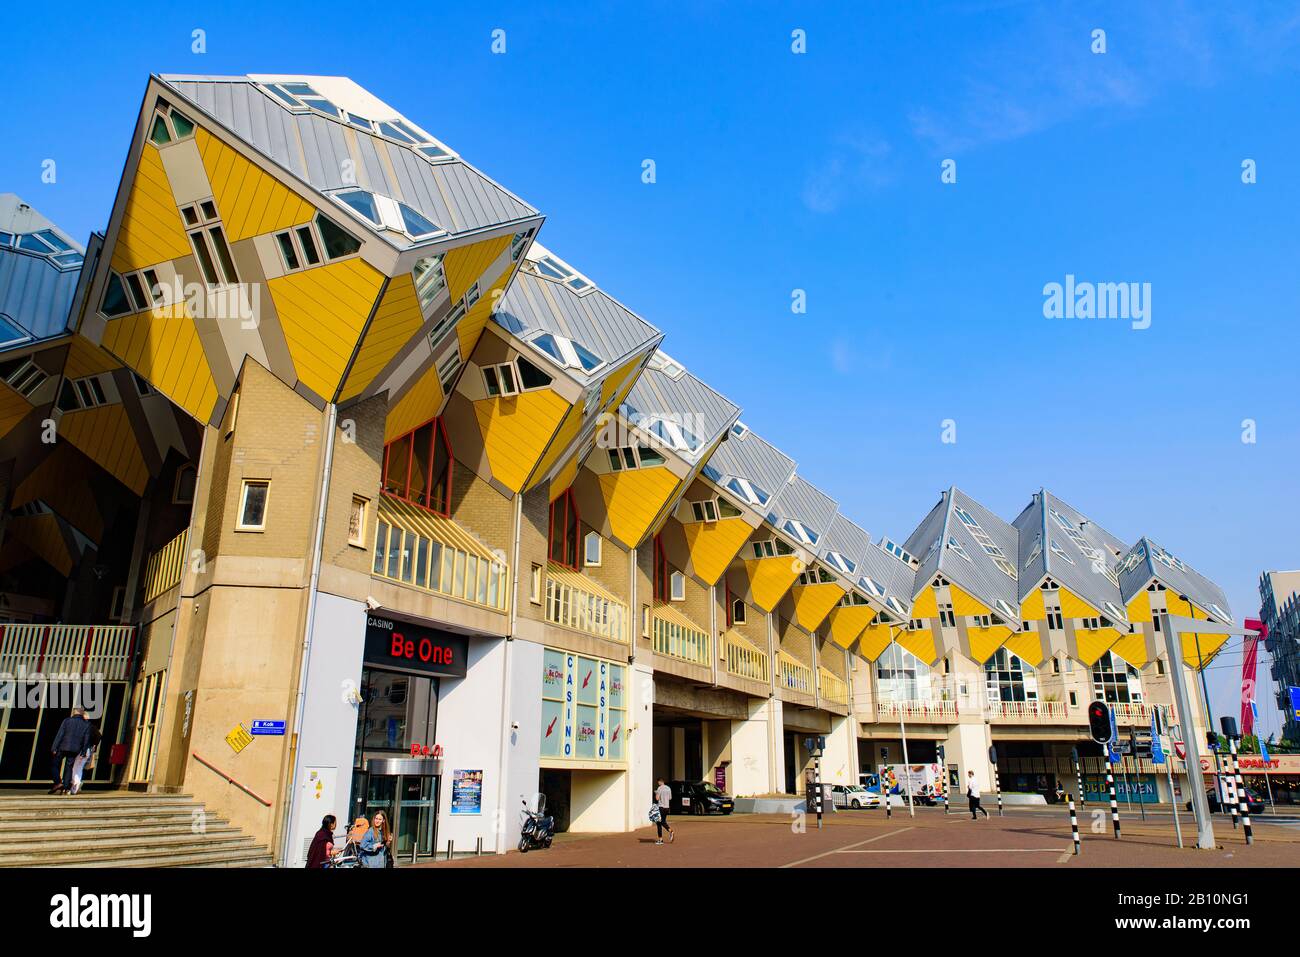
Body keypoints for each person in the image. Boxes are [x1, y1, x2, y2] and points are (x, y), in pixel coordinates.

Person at [49, 707, 93, 795]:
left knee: (54, 764)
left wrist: (54, 747)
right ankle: (65, 788)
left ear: (74, 712)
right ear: (82, 714)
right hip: (75, 749)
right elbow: (86, 739)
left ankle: (58, 782)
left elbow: (60, 734)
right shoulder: (86, 724)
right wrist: (84, 752)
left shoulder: (67, 721)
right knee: (69, 767)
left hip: (63, 747)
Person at [69, 721, 103, 795]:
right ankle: (77, 784)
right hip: (88, 750)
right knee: (80, 768)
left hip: (81, 750)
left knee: (75, 767)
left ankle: (76, 784)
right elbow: (99, 736)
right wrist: (94, 745)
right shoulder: (93, 728)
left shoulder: (85, 727)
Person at [654, 778, 674, 845]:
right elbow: (670, 798)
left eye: (658, 782)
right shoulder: (668, 788)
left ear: (660, 782)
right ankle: (661, 839)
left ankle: (667, 833)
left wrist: (656, 793)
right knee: (663, 821)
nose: (658, 784)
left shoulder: (659, 788)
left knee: (659, 823)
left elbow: (657, 798)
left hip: (661, 807)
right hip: (667, 807)